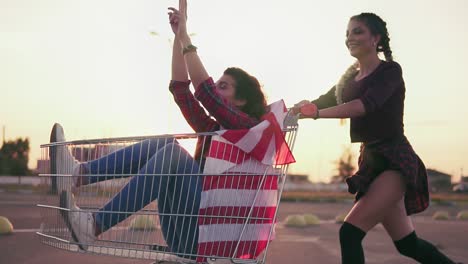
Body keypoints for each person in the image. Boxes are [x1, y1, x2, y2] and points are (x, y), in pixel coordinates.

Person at [51, 0, 267, 259]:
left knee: (174, 155)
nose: (217, 89)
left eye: (225, 86)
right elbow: (180, 90)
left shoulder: (249, 130)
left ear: (241, 100)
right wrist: (178, 37)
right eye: (218, 84)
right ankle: (79, 174)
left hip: (214, 239)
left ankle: (94, 225)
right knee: (166, 143)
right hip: (190, 232)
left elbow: (206, 93)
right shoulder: (214, 130)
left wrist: (186, 34)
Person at [293, 13, 458, 264]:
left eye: (357, 32)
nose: (350, 38)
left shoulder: (390, 71)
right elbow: (323, 101)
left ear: (376, 38)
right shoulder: (348, 77)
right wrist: (295, 111)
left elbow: (364, 106)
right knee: (407, 244)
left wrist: (316, 114)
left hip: (394, 161)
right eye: (348, 33)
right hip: (370, 161)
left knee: (349, 233)